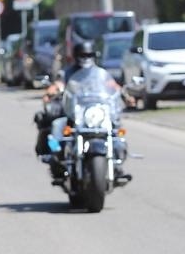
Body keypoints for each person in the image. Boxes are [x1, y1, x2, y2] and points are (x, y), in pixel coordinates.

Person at [34, 41, 132, 175]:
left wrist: (125, 96)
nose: (86, 58)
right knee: (58, 125)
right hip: (75, 113)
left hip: (94, 112)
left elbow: (112, 86)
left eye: (89, 55)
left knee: (115, 128)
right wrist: (51, 92)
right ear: (76, 56)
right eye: (83, 55)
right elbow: (58, 84)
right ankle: (56, 156)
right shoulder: (67, 72)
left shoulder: (99, 73)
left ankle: (116, 163)